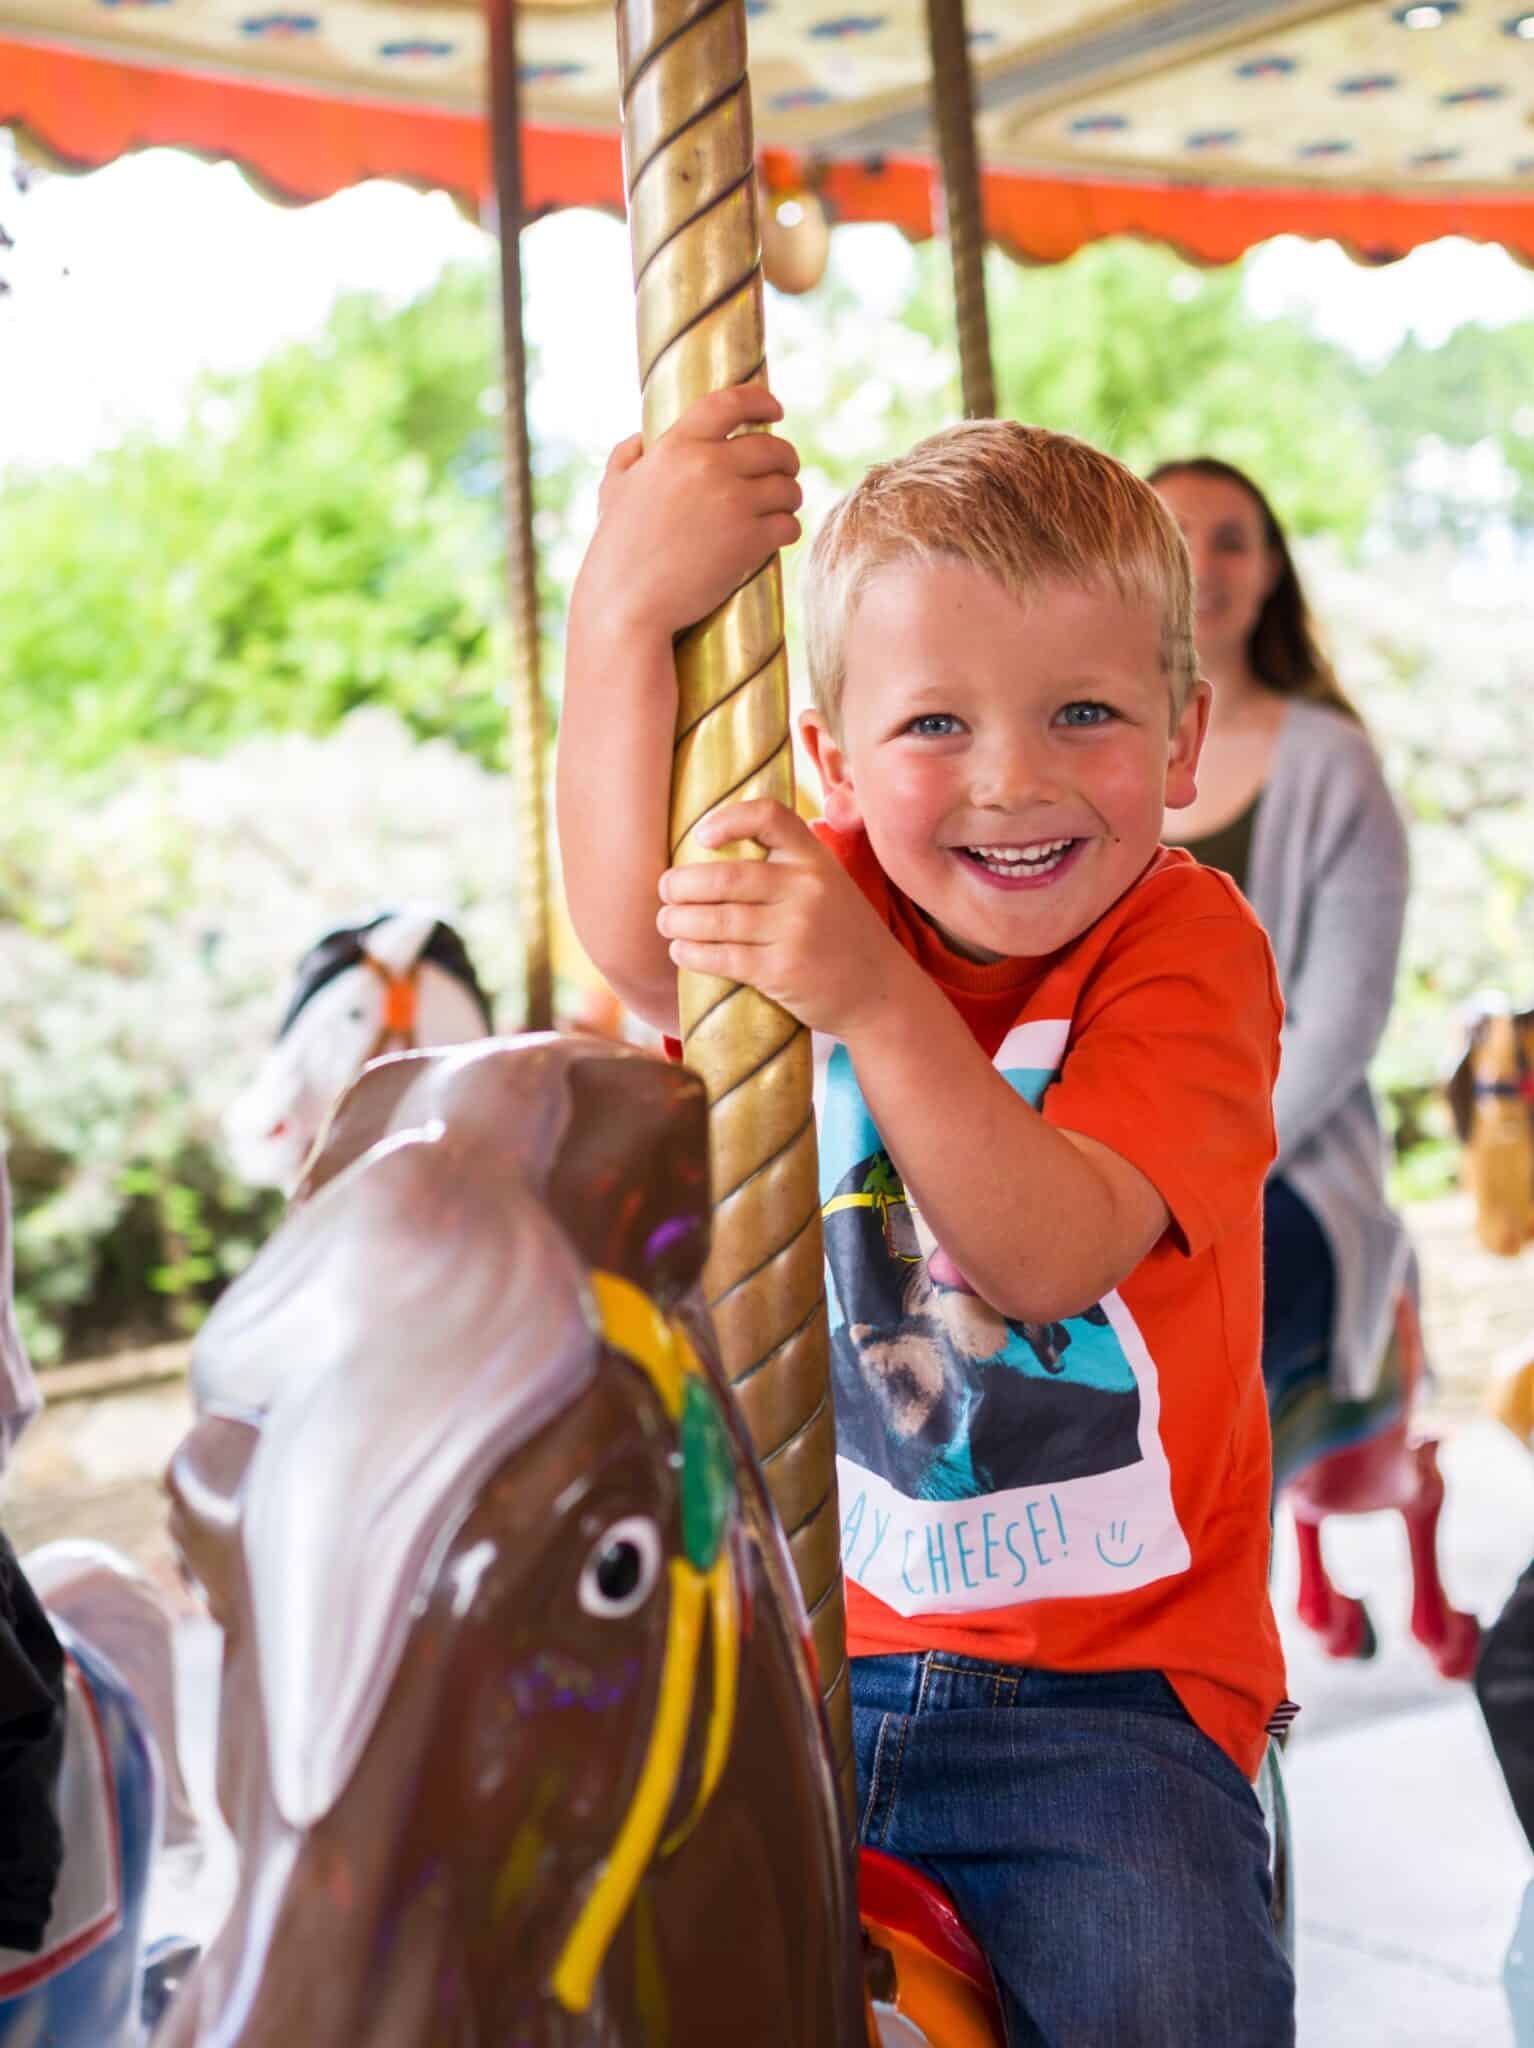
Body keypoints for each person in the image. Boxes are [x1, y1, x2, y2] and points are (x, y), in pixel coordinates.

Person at [559, 387, 1294, 2044]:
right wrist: (620, 611)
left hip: (1099, 1707)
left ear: (1180, 739)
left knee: (1161, 1998)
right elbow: (634, 935)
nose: (1010, 781)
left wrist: (870, 1002)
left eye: (1083, 712)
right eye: (933, 725)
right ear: (830, 756)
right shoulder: (836, 903)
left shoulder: (1184, 950)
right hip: (803, 1648)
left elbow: (1043, 1257)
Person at [1149, 458, 1412, 1455]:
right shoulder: (1075, 746)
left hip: (1283, 1158)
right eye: (1174, 534)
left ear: (1269, 573)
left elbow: (1341, 1024)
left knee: (1203, 1321)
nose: (1201, 563)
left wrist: (1199, 1168)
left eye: (1231, 541)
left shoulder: (1330, 763)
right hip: (1104, 1139)